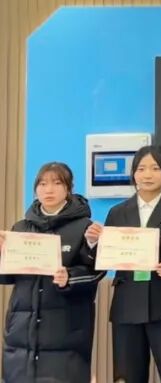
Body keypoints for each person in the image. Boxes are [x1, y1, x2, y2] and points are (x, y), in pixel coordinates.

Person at [84, 145, 161, 383]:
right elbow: (105, 259)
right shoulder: (117, 212)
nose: (147, 174)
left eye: (154, 168)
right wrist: (94, 242)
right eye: (141, 169)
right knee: (127, 375)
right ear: (133, 174)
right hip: (127, 304)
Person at [0, 162, 104, 382]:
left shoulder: (85, 227)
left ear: (69, 189)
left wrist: (69, 277)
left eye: (57, 183)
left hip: (65, 331)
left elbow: (96, 272)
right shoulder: (21, 228)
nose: (49, 189)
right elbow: (7, 277)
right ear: (35, 189)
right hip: (22, 332)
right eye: (43, 184)